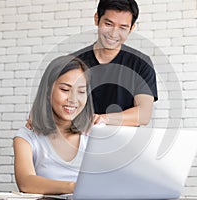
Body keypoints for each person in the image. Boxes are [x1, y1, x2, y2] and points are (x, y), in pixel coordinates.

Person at [13, 55, 94, 194]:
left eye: (81, 91)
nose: (73, 99)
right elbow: (26, 183)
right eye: (65, 89)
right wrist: (73, 187)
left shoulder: (95, 133)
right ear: (48, 91)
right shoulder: (27, 137)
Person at [73, 0, 158, 126]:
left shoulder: (141, 63)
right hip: (78, 141)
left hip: (126, 142)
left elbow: (144, 114)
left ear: (131, 28)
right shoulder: (73, 62)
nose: (113, 33)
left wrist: (104, 119)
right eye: (108, 24)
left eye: (123, 27)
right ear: (97, 19)